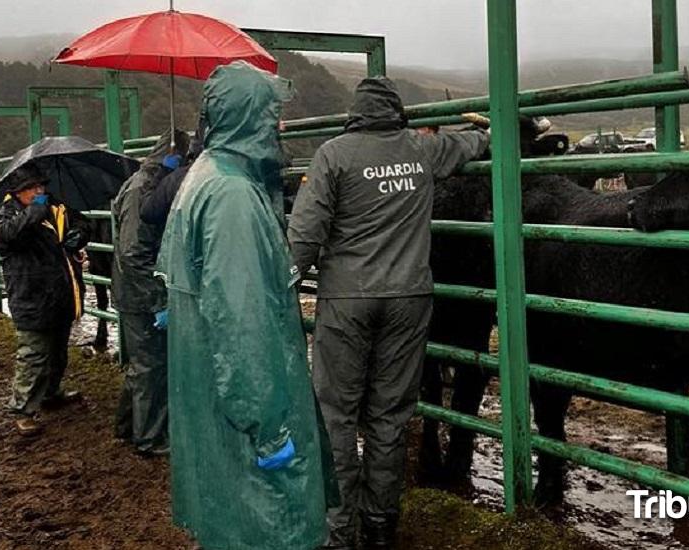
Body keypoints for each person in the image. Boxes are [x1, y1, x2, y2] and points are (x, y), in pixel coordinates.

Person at [287, 77, 490, 549]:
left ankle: (339, 529)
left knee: (336, 413)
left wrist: (283, 286)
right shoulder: (421, 151)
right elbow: (470, 144)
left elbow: (304, 236)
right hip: (409, 301)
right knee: (390, 415)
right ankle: (381, 525)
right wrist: (489, 132)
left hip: (347, 301)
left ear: (354, 114)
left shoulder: (333, 155)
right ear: (396, 112)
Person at [156, 61, 336, 550]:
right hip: (248, 413)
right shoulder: (233, 196)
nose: (278, 125)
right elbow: (241, 324)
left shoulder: (205, 176)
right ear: (247, 116)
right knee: (273, 521)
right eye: (271, 112)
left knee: (230, 523)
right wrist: (269, 428)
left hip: (213, 405)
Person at [0, 165, 86, 436]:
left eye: (41, 186)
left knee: (58, 350)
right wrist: (35, 212)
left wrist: (78, 234)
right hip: (31, 295)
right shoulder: (5, 216)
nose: (39, 191)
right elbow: (9, 235)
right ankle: (23, 409)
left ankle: (52, 391)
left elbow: (79, 222)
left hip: (61, 292)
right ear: (18, 192)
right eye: (32, 188)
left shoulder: (56, 206)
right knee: (33, 354)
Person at [111, 128, 190, 456]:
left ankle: (128, 426)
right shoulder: (144, 188)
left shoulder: (144, 183)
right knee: (151, 365)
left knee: (143, 363)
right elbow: (133, 251)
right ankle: (150, 438)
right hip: (141, 294)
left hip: (134, 291)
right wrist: (158, 300)